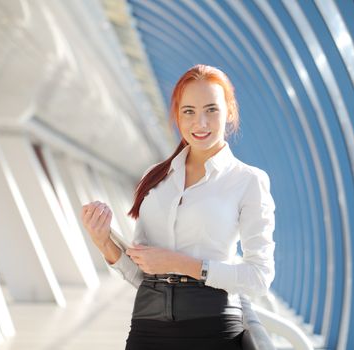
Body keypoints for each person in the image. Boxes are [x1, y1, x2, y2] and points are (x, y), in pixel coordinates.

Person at [81, 64, 276, 350]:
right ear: (176, 115)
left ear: (229, 112)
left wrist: (180, 264)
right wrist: (103, 241)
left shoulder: (248, 181)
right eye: (189, 111)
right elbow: (141, 273)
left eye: (211, 109)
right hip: (147, 326)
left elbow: (259, 277)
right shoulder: (156, 177)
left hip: (211, 327)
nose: (201, 123)